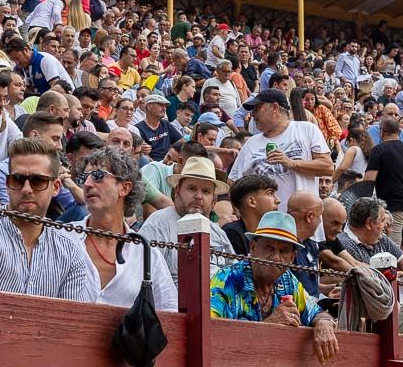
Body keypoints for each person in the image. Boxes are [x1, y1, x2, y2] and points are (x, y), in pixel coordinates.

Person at [0, 137, 99, 300]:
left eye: (38, 181)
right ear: (7, 184)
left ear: (55, 187)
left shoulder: (69, 249)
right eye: (17, 180)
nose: (26, 189)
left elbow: (71, 319)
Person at [210, 211, 339, 365]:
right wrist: (268, 325)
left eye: (283, 251)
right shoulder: (226, 280)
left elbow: (315, 312)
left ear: (292, 258)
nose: (276, 257)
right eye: (268, 248)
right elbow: (210, 336)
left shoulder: (289, 280)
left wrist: (324, 323)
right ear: (253, 247)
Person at [76, 147, 176, 311]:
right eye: (84, 178)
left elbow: (169, 310)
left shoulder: (146, 254)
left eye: (98, 176)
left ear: (124, 188)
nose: (87, 184)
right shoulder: (64, 238)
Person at [228, 89, 333, 235]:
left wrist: (291, 163)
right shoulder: (251, 143)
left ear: (275, 108)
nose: (253, 114)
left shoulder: (306, 129)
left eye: (257, 108)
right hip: (266, 231)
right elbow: (233, 182)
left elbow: (327, 167)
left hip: (304, 227)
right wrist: (242, 215)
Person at [138, 156, 234, 285]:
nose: (199, 196)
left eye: (206, 191)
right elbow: (144, 275)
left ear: (213, 201)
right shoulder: (158, 223)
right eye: (192, 189)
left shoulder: (219, 234)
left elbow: (234, 279)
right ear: (177, 192)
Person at [333, 197, 403, 283]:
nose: (384, 226)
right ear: (369, 223)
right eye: (382, 221)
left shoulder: (381, 237)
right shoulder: (343, 245)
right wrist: (388, 276)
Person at [222, 173, 279, 256]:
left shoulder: (274, 234)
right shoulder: (232, 234)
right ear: (252, 202)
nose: (278, 200)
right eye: (270, 193)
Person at [134, 93, 181, 162]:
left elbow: (180, 141)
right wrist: (159, 166)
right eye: (161, 105)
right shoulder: (138, 128)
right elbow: (143, 155)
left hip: (170, 160)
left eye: (165, 106)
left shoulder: (165, 124)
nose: (164, 109)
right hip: (151, 165)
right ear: (149, 106)